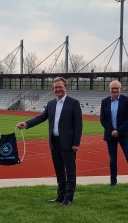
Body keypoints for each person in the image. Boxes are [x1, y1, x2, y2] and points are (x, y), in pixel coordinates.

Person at [17, 76, 83, 206]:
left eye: (60, 87)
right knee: (59, 171)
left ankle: (68, 198)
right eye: (55, 87)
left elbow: (78, 125)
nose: (58, 89)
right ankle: (60, 195)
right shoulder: (51, 104)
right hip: (54, 142)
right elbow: (42, 117)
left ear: (66, 88)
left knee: (70, 171)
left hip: (68, 143)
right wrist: (26, 123)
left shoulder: (73, 103)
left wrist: (76, 143)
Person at [100, 80, 128, 188]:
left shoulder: (126, 100)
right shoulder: (104, 101)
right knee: (112, 160)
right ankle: (113, 182)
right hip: (110, 135)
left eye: (116, 88)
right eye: (112, 88)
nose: (114, 90)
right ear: (109, 89)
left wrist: (118, 131)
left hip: (123, 134)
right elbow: (103, 120)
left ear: (120, 89)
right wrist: (112, 131)